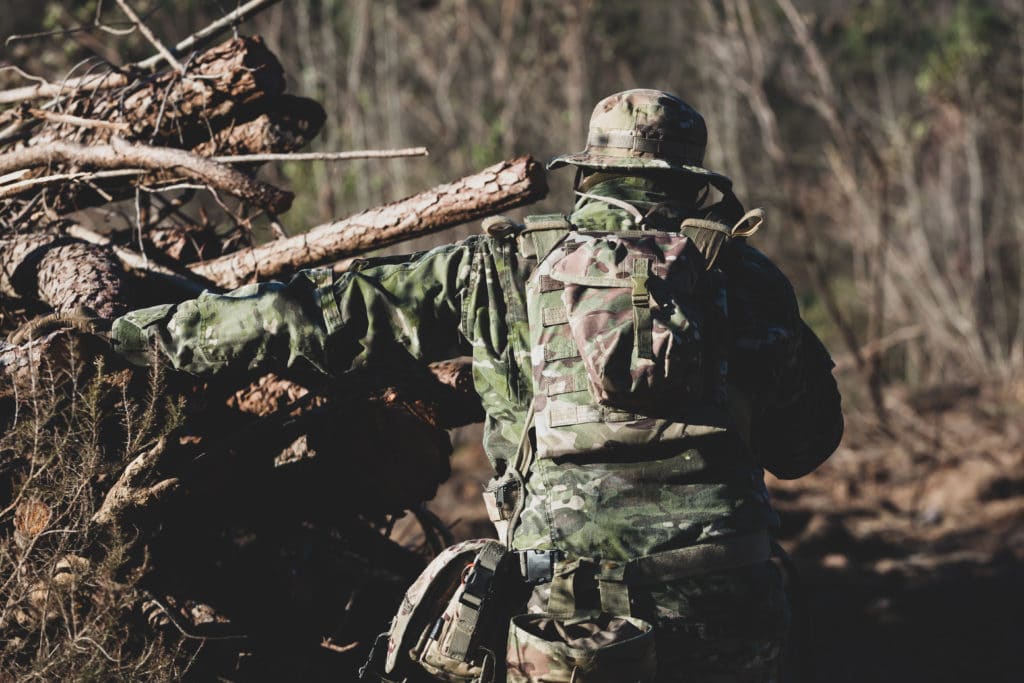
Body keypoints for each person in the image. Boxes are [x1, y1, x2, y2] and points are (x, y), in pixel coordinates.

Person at [110, 89, 843, 682]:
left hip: (569, 632)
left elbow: (325, 315)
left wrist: (144, 335)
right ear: (692, 180)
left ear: (589, 174)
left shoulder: (505, 265)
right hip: (735, 619)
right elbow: (808, 444)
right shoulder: (750, 282)